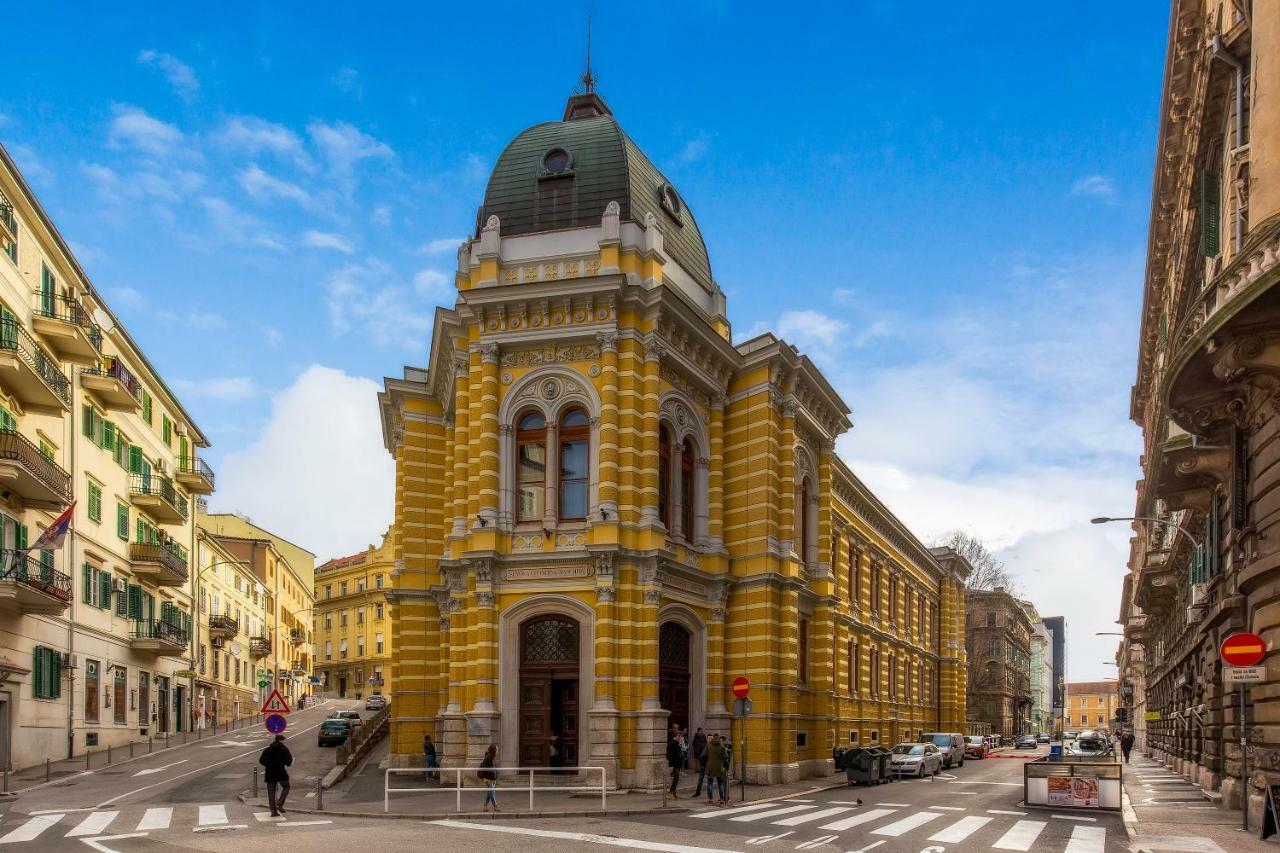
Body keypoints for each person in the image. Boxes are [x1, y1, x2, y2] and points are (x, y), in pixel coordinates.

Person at [258, 734, 293, 817]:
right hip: (281, 772)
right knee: (286, 786)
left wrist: (268, 765)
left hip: (270, 773)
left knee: (271, 792)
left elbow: (261, 760)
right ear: (281, 740)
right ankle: (280, 803)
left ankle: (273, 812)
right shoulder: (284, 749)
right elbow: (289, 761)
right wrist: (283, 763)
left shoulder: (268, 749)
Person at [702, 732, 728, 806]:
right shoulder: (722, 746)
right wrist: (724, 765)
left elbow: (703, 755)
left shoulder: (708, 745)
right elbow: (726, 757)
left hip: (710, 766)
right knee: (720, 783)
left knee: (710, 783)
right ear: (718, 738)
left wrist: (706, 763)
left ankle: (710, 799)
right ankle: (722, 800)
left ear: (713, 737)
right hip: (719, 767)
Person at [480, 744, 500, 812]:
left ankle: (485, 806)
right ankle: (495, 806)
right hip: (488, 778)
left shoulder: (492, 757)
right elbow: (488, 769)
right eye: (496, 750)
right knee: (492, 791)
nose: (497, 751)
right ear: (493, 750)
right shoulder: (489, 757)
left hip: (491, 778)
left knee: (489, 792)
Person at [667, 726, 684, 798]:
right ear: (674, 737)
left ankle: (673, 793)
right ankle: (670, 793)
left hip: (678, 764)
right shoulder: (672, 744)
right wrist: (671, 764)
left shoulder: (677, 744)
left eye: (680, 736)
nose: (679, 738)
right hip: (674, 764)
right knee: (675, 778)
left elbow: (679, 753)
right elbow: (669, 755)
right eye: (678, 736)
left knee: (676, 779)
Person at [690, 728, 708, 797]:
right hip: (700, 757)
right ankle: (698, 792)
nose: (701, 732)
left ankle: (712, 795)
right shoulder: (696, 737)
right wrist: (696, 749)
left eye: (701, 731)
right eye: (700, 731)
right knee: (700, 778)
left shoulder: (704, 738)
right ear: (698, 731)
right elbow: (693, 743)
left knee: (710, 779)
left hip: (706, 761)